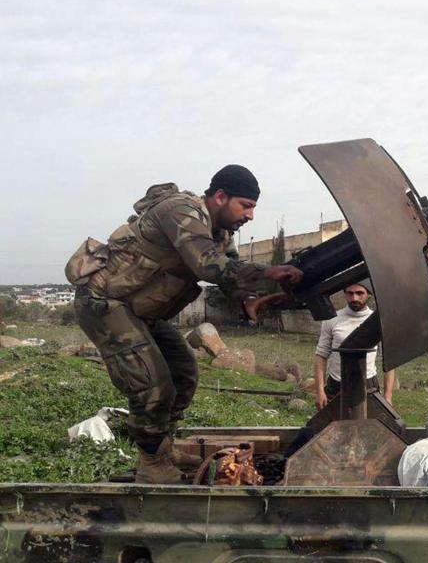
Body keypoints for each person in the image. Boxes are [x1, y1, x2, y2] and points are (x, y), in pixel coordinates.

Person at [68, 165, 304, 483]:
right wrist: (270, 271)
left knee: (184, 373)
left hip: (140, 312)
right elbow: (208, 265)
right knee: (152, 383)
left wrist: (250, 299)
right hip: (105, 303)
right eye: (245, 205)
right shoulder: (180, 210)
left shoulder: (220, 235)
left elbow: (230, 272)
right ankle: (151, 463)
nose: (250, 215)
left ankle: (164, 448)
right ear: (220, 196)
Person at [314, 281, 395, 409]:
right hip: (336, 385)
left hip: (368, 385)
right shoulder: (332, 319)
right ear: (345, 294)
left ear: (369, 294)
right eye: (350, 293)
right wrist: (320, 391)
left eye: (359, 293)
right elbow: (321, 355)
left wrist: (388, 395)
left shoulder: (378, 321)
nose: (354, 298)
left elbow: (389, 361)